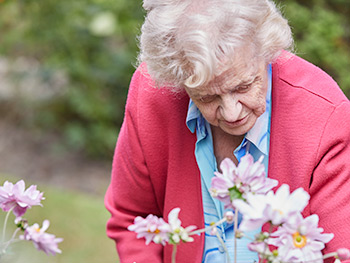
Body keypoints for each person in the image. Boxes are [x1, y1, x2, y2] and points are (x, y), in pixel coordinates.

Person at [105, 0, 350, 262]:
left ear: (266, 49)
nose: (232, 113)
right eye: (207, 97)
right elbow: (133, 217)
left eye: (243, 87)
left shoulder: (324, 114)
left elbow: (342, 252)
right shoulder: (155, 94)